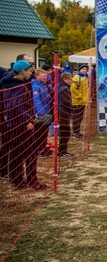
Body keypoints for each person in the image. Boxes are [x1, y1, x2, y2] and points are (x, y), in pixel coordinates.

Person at [0, 60, 46, 190]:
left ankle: (17, 180)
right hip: (20, 124)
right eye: (29, 70)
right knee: (31, 152)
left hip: (10, 123)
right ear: (22, 71)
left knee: (15, 153)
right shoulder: (19, 87)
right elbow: (16, 106)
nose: (31, 72)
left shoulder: (5, 85)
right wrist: (27, 121)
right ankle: (33, 181)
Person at [31, 68, 54, 158]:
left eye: (45, 76)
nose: (45, 77)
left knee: (44, 132)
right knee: (39, 133)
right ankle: (39, 150)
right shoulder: (35, 86)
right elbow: (36, 100)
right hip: (41, 113)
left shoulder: (43, 85)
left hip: (47, 111)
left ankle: (42, 148)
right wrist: (41, 112)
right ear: (37, 76)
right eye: (43, 76)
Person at [57, 72, 75, 158]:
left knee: (65, 131)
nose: (71, 81)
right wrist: (71, 108)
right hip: (63, 112)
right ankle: (62, 151)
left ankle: (62, 150)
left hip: (62, 112)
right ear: (65, 79)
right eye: (70, 79)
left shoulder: (61, 87)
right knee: (66, 132)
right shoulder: (64, 88)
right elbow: (65, 101)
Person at [70, 64, 89, 139]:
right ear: (79, 70)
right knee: (76, 117)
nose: (84, 70)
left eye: (85, 69)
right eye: (83, 69)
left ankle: (78, 131)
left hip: (83, 101)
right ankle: (75, 132)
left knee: (80, 117)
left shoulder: (84, 78)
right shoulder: (76, 78)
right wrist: (79, 96)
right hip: (77, 101)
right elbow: (73, 89)